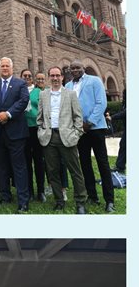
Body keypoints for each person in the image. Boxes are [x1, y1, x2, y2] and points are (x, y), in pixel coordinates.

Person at [37, 66, 88, 213]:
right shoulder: (43, 95)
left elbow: (78, 116)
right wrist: (41, 131)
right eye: (52, 76)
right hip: (49, 138)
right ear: (49, 77)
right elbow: (39, 117)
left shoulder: (70, 94)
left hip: (67, 137)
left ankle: (80, 202)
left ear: (62, 77)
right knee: (52, 172)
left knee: (75, 171)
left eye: (57, 75)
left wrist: (77, 133)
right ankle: (59, 200)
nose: (55, 78)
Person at [66, 61, 115, 212]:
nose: (75, 70)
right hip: (79, 130)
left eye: (77, 68)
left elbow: (101, 103)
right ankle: (92, 196)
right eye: (72, 68)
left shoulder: (94, 81)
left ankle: (109, 200)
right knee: (85, 164)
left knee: (103, 164)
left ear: (83, 68)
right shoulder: (67, 86)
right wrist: (77, 125)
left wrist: (90, 122)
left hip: (95, 128)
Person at [0, 57, 31, 212]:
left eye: (7, 66)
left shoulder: (20, 84)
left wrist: (8, 114)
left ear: (12, 67)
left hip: (15, 132)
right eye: (2, 65)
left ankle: (23, 200)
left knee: (19, 167)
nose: (4, 68)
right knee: (1, 166)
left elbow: (23, 101)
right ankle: (5, 196)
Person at [25, 71, 47, 202]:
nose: (27, 77)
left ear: (33, 79)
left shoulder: (39, 92)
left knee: (39, 160)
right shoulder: (20, 91)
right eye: (25, 76)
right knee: (26, 161)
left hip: (36, 128)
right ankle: (29, 191)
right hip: (23, 130)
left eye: (29, 76)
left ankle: (41, 191)